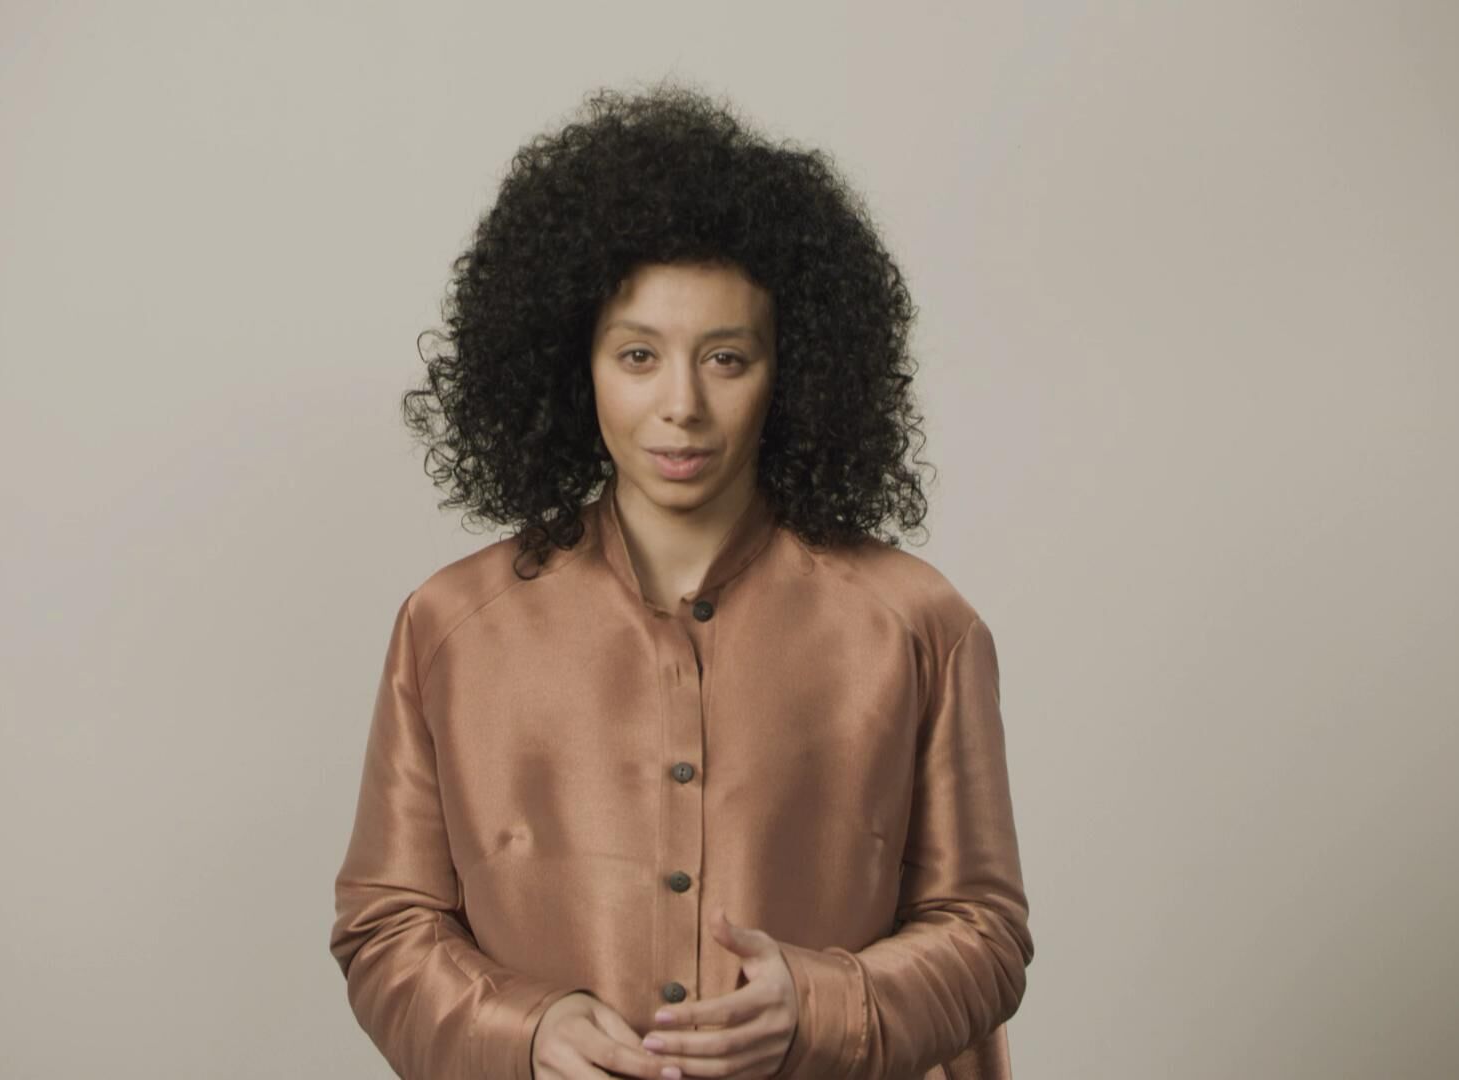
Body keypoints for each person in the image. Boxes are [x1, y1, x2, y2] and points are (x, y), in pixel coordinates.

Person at [329, 79, 1034, 1080]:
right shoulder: (448, 627)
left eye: (727, 359)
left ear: (792, 370)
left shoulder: (918, 625)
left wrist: (820, 1008)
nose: (682, 405)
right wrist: (524, 1032)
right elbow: (386, 925)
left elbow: (985, 934)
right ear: (574, 366)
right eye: (637, 356)